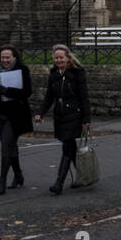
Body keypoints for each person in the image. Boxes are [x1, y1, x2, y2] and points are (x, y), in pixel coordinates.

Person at [35, 44, 91, 195]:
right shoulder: (54, 74)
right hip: (60, 116)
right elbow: (49, 97)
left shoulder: (77, 73)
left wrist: (86, 118)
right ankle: (84, 176)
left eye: (61, 57)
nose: (59, 60)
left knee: (67, 148)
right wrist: (40, 112)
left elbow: (84, 96)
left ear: (68, 58)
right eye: (56, 58)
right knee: (70, 148)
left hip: (75, 115)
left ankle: (58, 183)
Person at [0, 46, 34, 195]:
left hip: (15, 115)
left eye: (8, 57)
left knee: (6, 145)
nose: (5, 60)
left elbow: (27, 92)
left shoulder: (22, 70)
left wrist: (6, 90)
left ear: (14, 58)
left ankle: (1, 180)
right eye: (2, 57)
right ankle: (18, 175)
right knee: (11, 146)